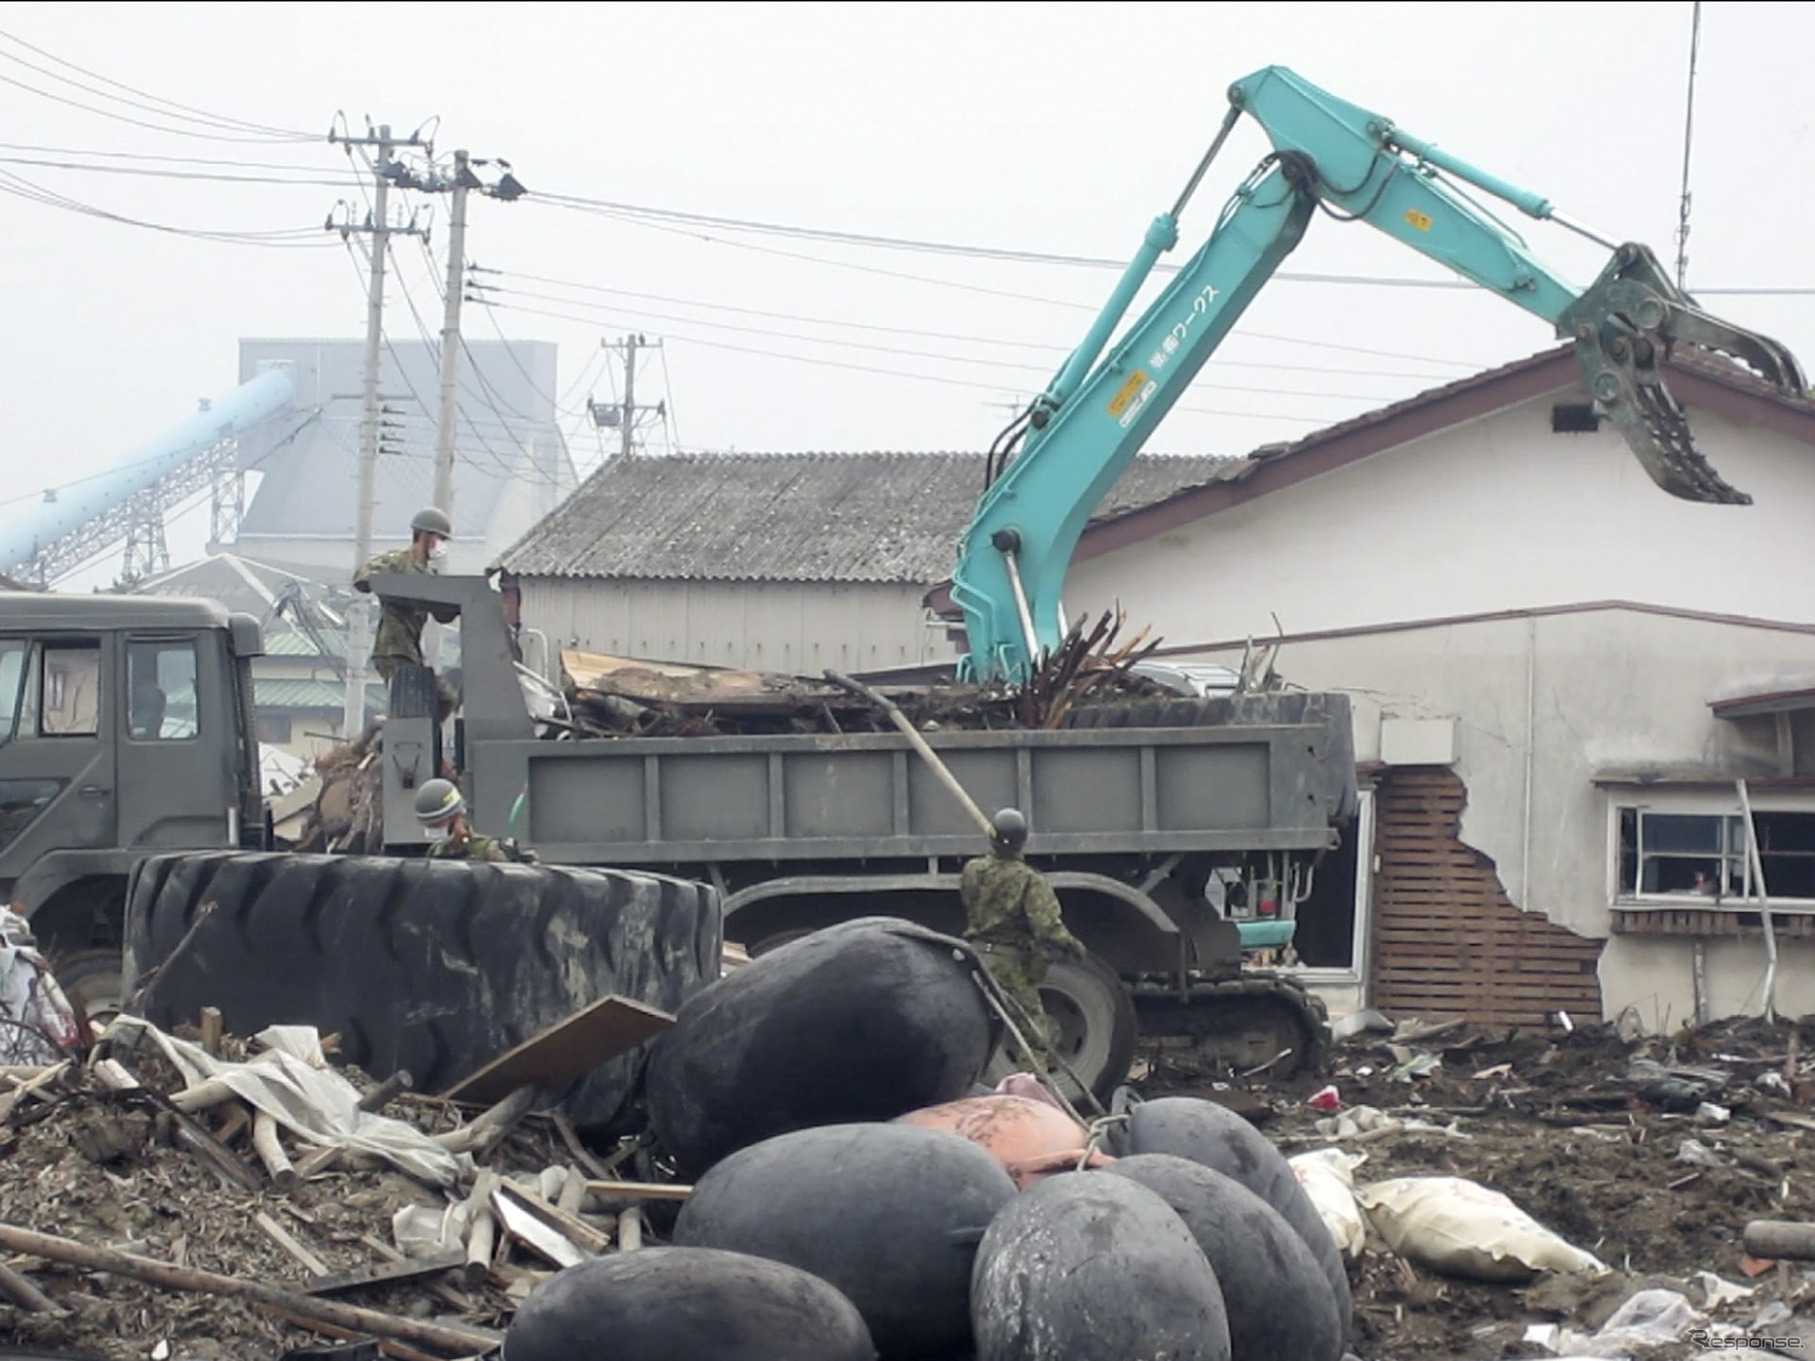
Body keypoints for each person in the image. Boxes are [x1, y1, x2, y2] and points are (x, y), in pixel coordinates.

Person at [960, 807, 1086, 1068]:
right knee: (1033, 1035)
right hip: (1008, 964)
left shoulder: (972, 870)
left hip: (975, 956)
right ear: (1023, 841)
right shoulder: (1030, 880)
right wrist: (1073, 946)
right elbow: (1046, 927)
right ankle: (1029, 1091)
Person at [354, 506, 458, 724]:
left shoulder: (430, 575)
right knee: (408, 705)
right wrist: (397, 589)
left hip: (412, 652)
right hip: (392, 648)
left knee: (444, 698)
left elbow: (443, 615)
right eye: (438, 539)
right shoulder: (397, 562)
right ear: (425, 536)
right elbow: (362, 578)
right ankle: (390, 732)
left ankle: (423, 738)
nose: (439, 546)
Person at [414, 778, 538, 863]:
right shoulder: (435, 852)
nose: (431, 831)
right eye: (428, 825)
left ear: (455, 816)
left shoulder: (487, 851)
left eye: (436, 824)